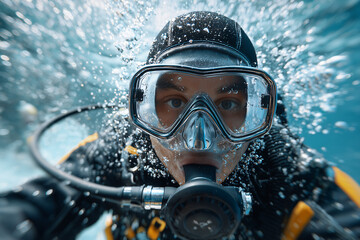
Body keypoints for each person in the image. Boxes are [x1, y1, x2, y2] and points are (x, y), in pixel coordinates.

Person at [1, 11, 360, 240]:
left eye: (229, 103)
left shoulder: (288, 171)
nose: (200, 138)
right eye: (174, 102)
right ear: (143, 111)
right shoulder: (123, 152)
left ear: (259, 115)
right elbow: (33, 206)